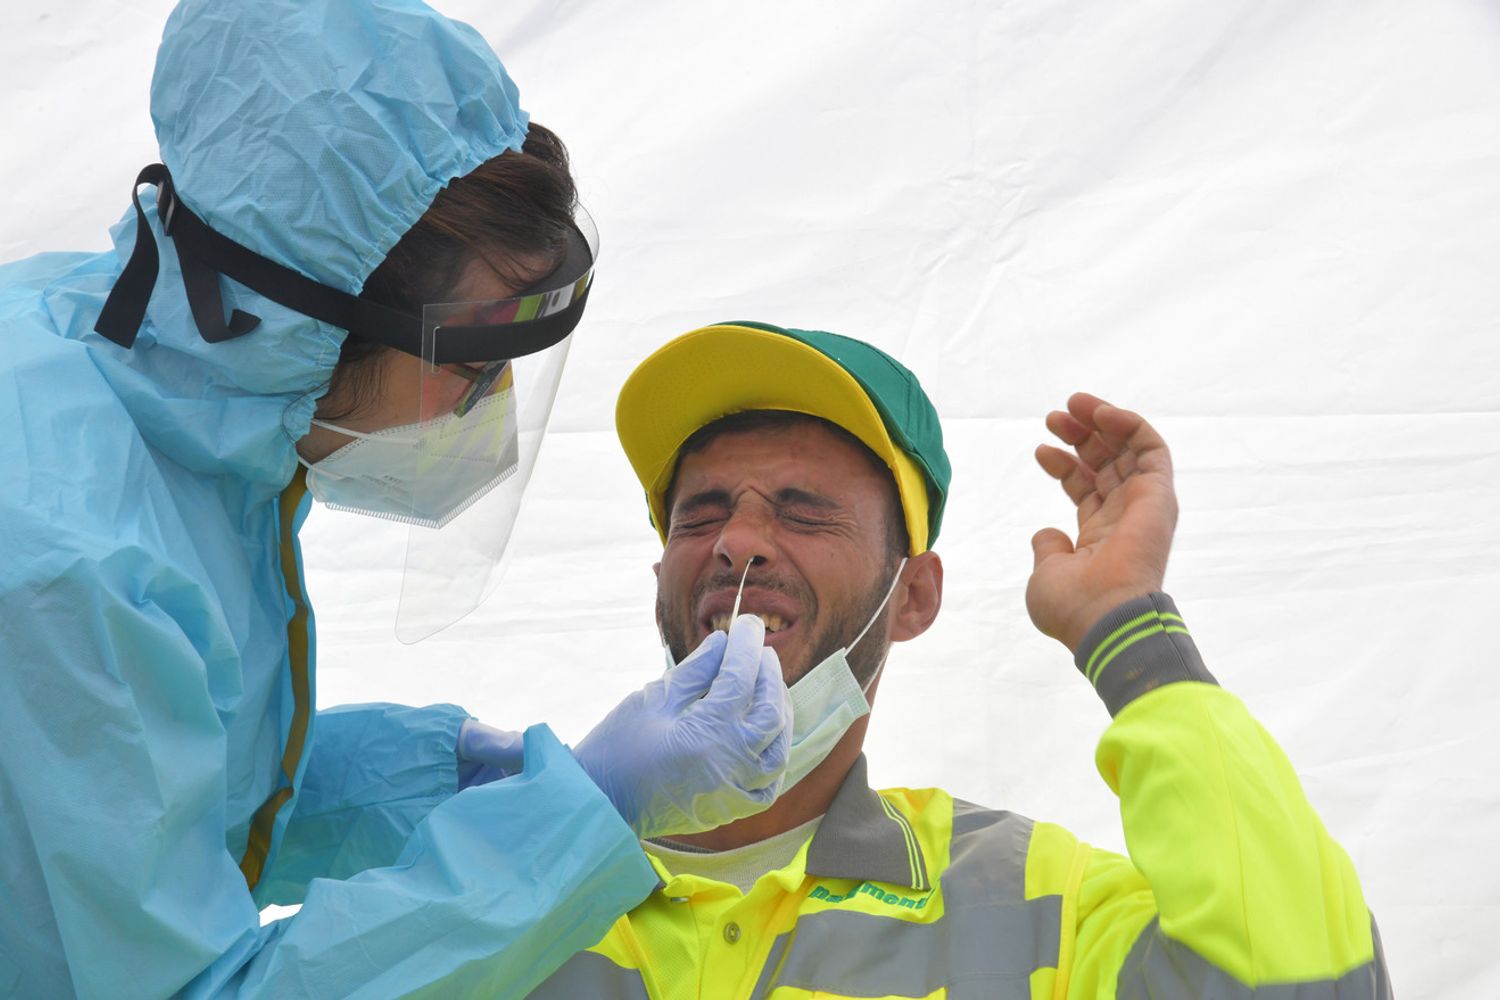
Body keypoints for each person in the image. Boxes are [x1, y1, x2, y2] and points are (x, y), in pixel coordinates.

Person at [0, 2, 791, 997]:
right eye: (467, 361)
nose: (491, 408)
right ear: (304, 319)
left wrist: (433, 779)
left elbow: (143, 793)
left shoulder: (146, 372)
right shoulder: (64, 560)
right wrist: (574, 817)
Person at [523, 320, 1393, 997]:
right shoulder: (497, 866)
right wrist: (544, 831)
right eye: (701, 512)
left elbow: (1314, 987)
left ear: (914, 598)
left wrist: (1128, 632)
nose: (738, 541)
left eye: (802, 509)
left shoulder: (1031, 903)